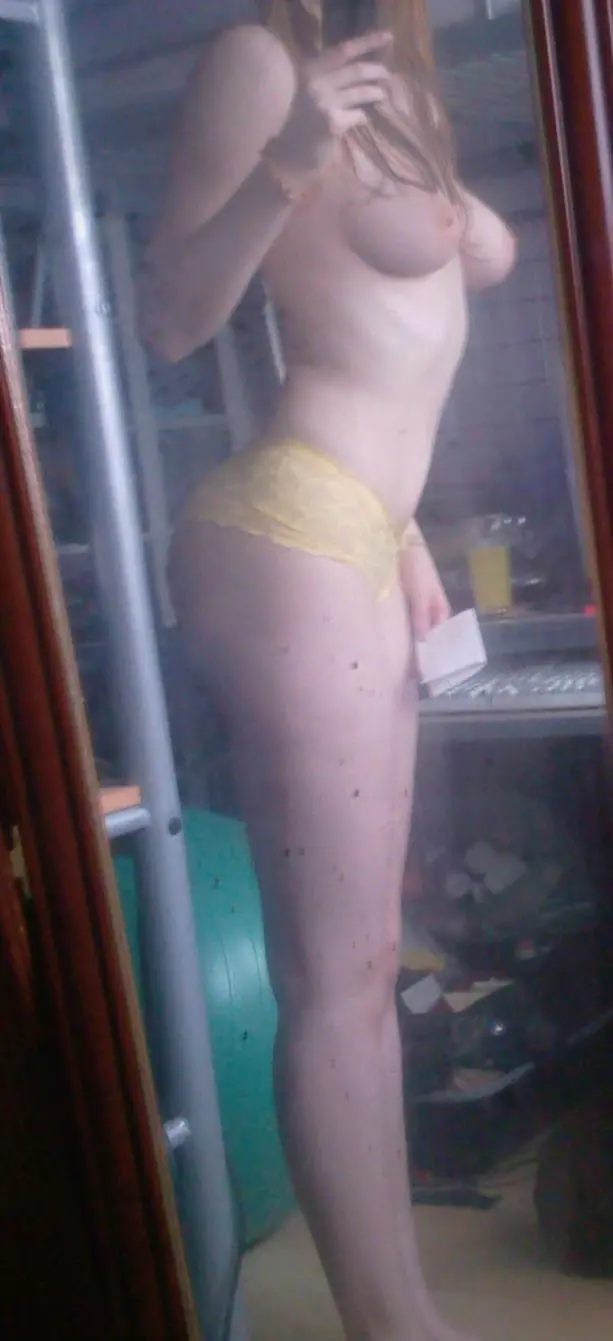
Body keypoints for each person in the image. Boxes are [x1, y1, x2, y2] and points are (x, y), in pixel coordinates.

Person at [142, 4, 516, 1338]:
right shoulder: (263, 61)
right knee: (338, 979)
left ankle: (403, 1312)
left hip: (365, 528)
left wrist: (407, 535)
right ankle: (394, 1328)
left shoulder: (403, 79)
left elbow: (390, 334)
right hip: (288, 527)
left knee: (364, 974)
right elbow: (171, 320)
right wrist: (289, 159)